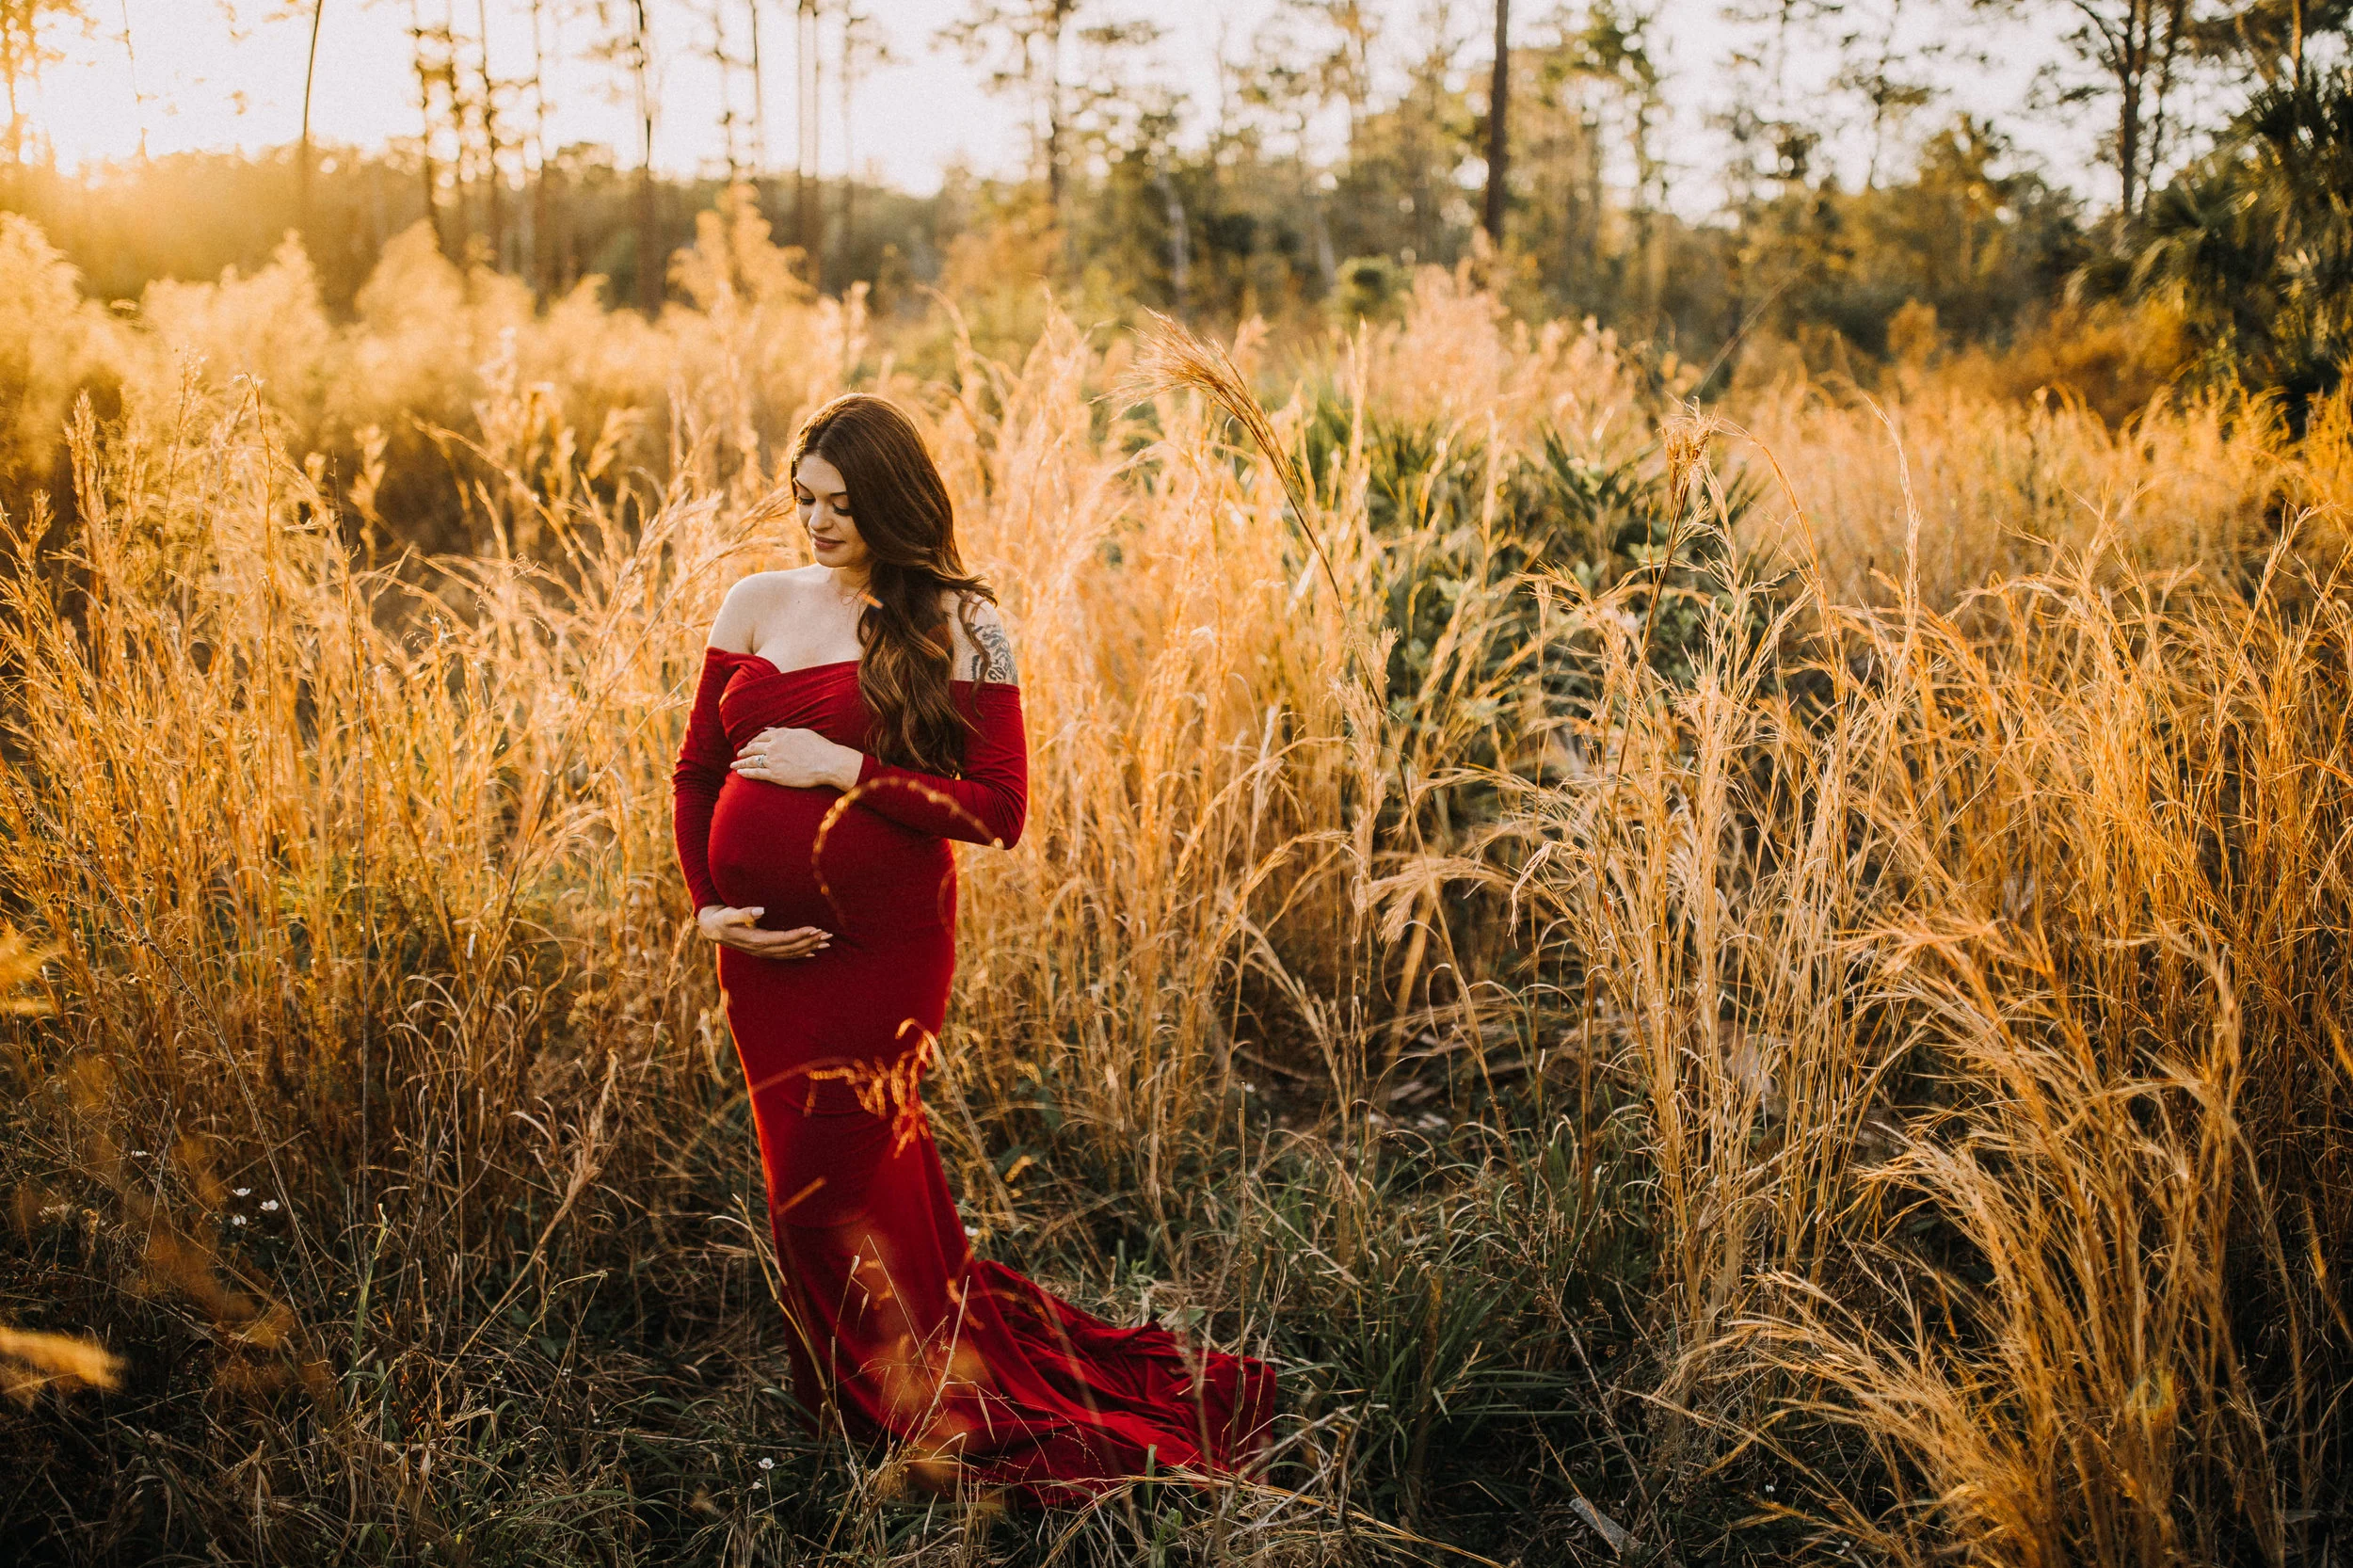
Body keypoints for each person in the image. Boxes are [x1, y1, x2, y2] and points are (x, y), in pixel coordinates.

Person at [671, 392, 1276, 1505]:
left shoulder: (966, 622)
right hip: (758, 958)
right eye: (803, 500)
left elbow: (997, 811)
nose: (815, 523)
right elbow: (696, 773)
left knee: (828, 1189)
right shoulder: (754, 601)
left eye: (842, 507)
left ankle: (923, 1420)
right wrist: (709, 902)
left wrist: (837, 767)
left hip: (886, 953)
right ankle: (857, 1400)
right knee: (811, 1190)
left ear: (894, 504)